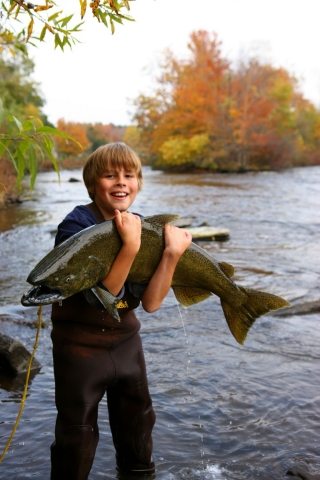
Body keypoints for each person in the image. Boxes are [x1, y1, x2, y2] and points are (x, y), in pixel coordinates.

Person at [50, 142, 192, 480]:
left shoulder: (142, 226)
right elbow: (106, 294)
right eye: (110, 175)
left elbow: (153, 303)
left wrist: (171, 255)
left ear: (139, 184)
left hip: (127, 345)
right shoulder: (75, 226)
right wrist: (129, 245)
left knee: (138, 424)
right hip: (79, 349)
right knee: (77, 435)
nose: (121, 182)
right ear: (92, 184)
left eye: (129, 175)